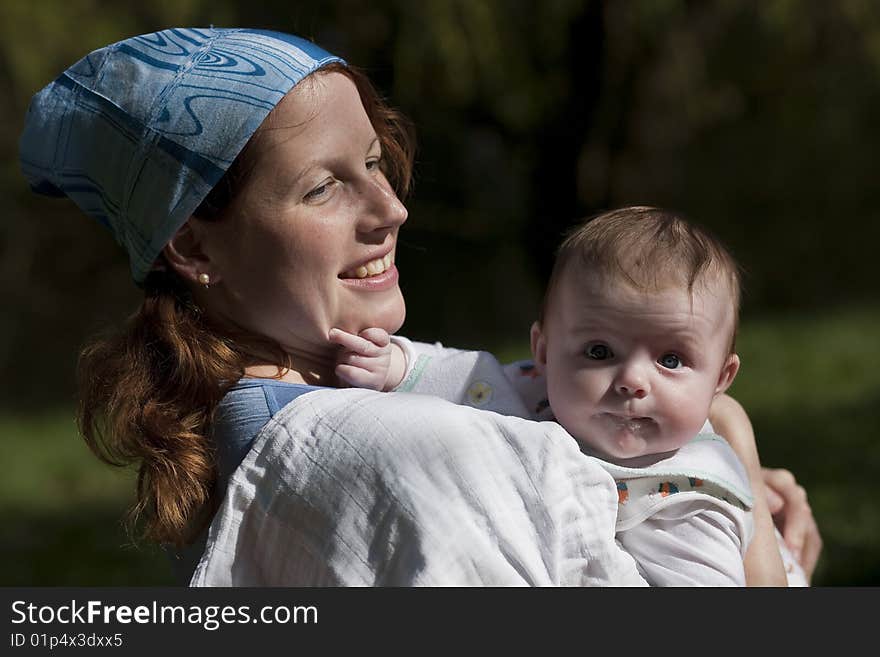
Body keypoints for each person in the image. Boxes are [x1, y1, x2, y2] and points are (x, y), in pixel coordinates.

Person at [18, 27, 820, 586]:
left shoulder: (289, 420)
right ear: (194, 249)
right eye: (324, 185)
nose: (392, 209)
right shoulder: (396, 452)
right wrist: (736, 467)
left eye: (375, 162)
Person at [331, 207, 806, 585]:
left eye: (672, 360)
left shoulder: (695, 497)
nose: (632, 381)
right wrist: (395, 363)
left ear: (721, 379)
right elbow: (466, 374)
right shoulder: (537, 394)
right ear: (544, 351)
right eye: (599, 351)